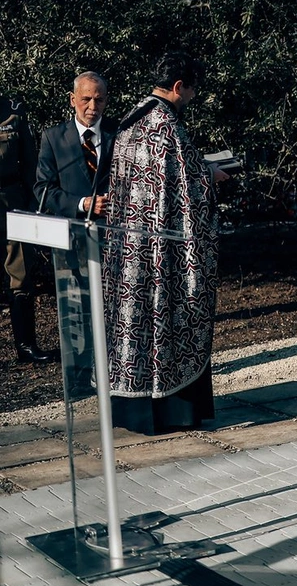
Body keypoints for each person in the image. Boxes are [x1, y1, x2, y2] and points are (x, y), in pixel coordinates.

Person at [103, 51, 225, 433]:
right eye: (190, 90)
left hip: (128, 254)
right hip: (162, 255)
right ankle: (172, 413)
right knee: (164, 321)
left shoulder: (129, 120)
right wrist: (211, 174)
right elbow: (185, 189)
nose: (191, 98)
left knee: (132, 325)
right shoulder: (165, 126)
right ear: (177, 86)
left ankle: (130, 410)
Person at [0, 92, 47, 364]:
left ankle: (26, 346)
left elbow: (29, 160)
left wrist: (32, 201)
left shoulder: (13, 110)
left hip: (11, 199)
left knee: (20, 274)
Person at [36, 71, 115, 220]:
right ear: (72, 99)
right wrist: (82, 204)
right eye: (86, 99)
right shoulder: (53, 138)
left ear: (106, 101)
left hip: (110, 231)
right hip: (70, 231)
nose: (93, 106)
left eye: (99, 100)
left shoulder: (119, 134)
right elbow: (43, 189)